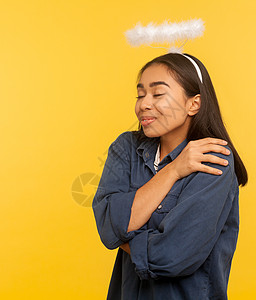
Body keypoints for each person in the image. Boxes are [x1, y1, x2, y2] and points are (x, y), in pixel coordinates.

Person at [92, 52, 248, 300]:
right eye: (140, 94)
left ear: (193, 103)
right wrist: (174, 170)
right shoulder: (126, 148)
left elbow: (173, 255)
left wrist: (125, 235)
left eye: (158, 93)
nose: (144, 104)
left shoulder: (214, 159)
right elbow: (108, 226)